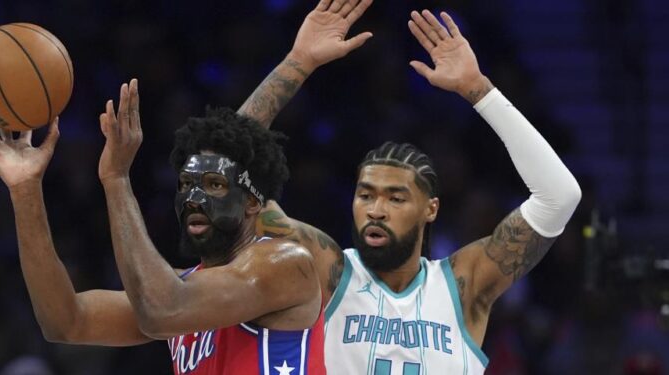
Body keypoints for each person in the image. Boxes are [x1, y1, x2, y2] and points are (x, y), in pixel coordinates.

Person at [0, 0, 373, 373]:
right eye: (186, 184)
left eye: (213, 185)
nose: (194, 196)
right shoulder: (183, 288)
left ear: (255, 203)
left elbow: (162, 310)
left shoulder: (284, 263)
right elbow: (66, 322)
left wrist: (116, 180)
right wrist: (25, 189)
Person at [238, 6, 582, 374]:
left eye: (396, 197)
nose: (376, 209)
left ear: (430, 209)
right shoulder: (328, 270)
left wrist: (479, 90)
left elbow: (560, 195)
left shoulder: (463, 286)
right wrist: (298, 61)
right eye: (365, 195)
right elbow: (226, 171)